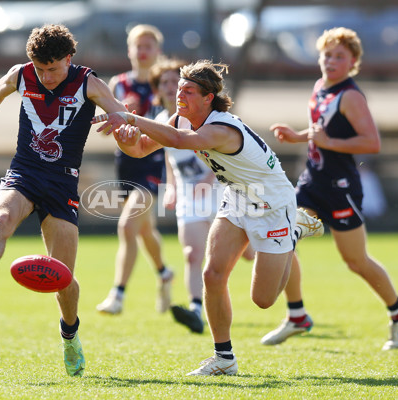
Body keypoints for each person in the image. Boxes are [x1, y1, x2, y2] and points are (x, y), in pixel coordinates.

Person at [92, 60, 324, 376]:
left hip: (272, 206)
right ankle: (224, 359)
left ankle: (294, 230)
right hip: (237, 199)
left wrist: (131, 116)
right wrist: (123, 132)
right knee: (212, 275)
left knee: (263, 300)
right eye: (179, 90)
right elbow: (140, 150)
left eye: (188, 91)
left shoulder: (221, 128)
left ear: (208, 99)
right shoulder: (180, 118)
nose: (179, 95)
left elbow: (179, 141)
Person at [0, 24, 128, 377]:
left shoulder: (88, 83)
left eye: (53, 69)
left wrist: (118, 120)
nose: (47, 76)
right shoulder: (22, 75)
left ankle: (70, 335)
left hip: (63, 184)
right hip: (23, 172)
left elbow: (120, 111)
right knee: (1, 218)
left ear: (69, 58)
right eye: (41, 69)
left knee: (63, 277)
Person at [265, 27, 398, 351]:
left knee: (356, 261)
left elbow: (371, 142)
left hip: (340, 188)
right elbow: (319, 130)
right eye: (326, 55)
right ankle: (296, 314)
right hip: (311, 181)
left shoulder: (351, 96)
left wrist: (328, 142)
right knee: (281, 233)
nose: (331, 61)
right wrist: (297, 136)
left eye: (339, 56)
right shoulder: (320, 87)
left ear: (353, 62)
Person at [152, 58, 255, 334]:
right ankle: (196, 309)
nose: (174, 89)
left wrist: (211, 179)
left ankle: (281, 249)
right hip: (190, 195)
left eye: (179, 84)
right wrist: (171, 187)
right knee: (192, 253)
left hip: (221, 191)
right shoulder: (163, 121)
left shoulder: (208, 121)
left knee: (249, 253)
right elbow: (170, 157)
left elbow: (217, 153)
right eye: (167, 84)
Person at [96, 24, 173, 315]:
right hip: (126, 163)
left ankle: (118, 294)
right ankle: (164, 272)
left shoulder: (164, 83)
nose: (142, 52)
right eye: (137, 46)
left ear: (157, 51)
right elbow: (105, 130)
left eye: (148, 47)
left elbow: (174, 123)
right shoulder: (118, 83)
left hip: (154, 162)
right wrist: (117, 118)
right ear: (129, 50)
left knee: (127, 225)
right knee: (143, 230)